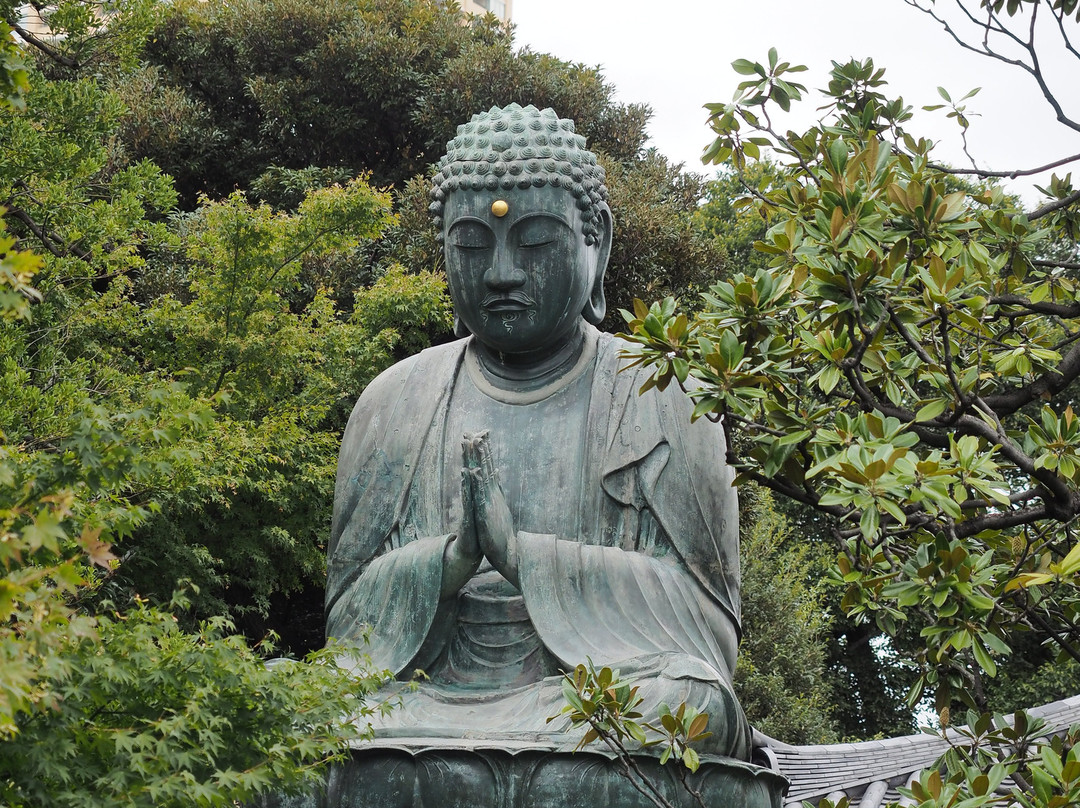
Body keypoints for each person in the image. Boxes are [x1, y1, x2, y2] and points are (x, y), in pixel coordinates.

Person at [326, 103, 750, 759]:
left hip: (596, 704)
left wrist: (524, 558)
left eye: (534, 242)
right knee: (292, 709)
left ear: (596, 242)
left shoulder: (663, 393)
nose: (500, 272)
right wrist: (451, 562)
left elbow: (709, 634)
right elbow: (349, 630)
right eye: (471, 244)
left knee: (691, 704)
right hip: (420, 703)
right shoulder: (394, 401)